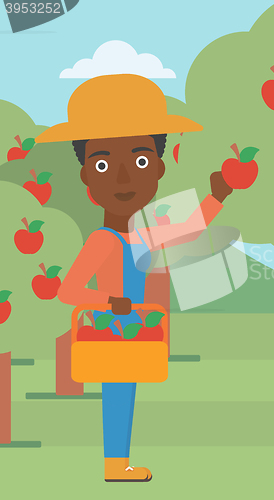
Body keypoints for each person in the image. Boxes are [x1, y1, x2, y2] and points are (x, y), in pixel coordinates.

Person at [35, 74, 233, 482]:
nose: (123, 179)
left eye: (140, 161)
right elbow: (68, 291)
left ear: (158, 169)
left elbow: (189, 230)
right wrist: (110, 304)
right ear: (87, 177)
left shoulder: (141, 235)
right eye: (104, 164)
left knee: (126, 393)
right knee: (118, 394)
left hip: (138, 330)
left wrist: (217, 195)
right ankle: (115, 465)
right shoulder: (103, 241)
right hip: (110, 329)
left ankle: (118, 462)